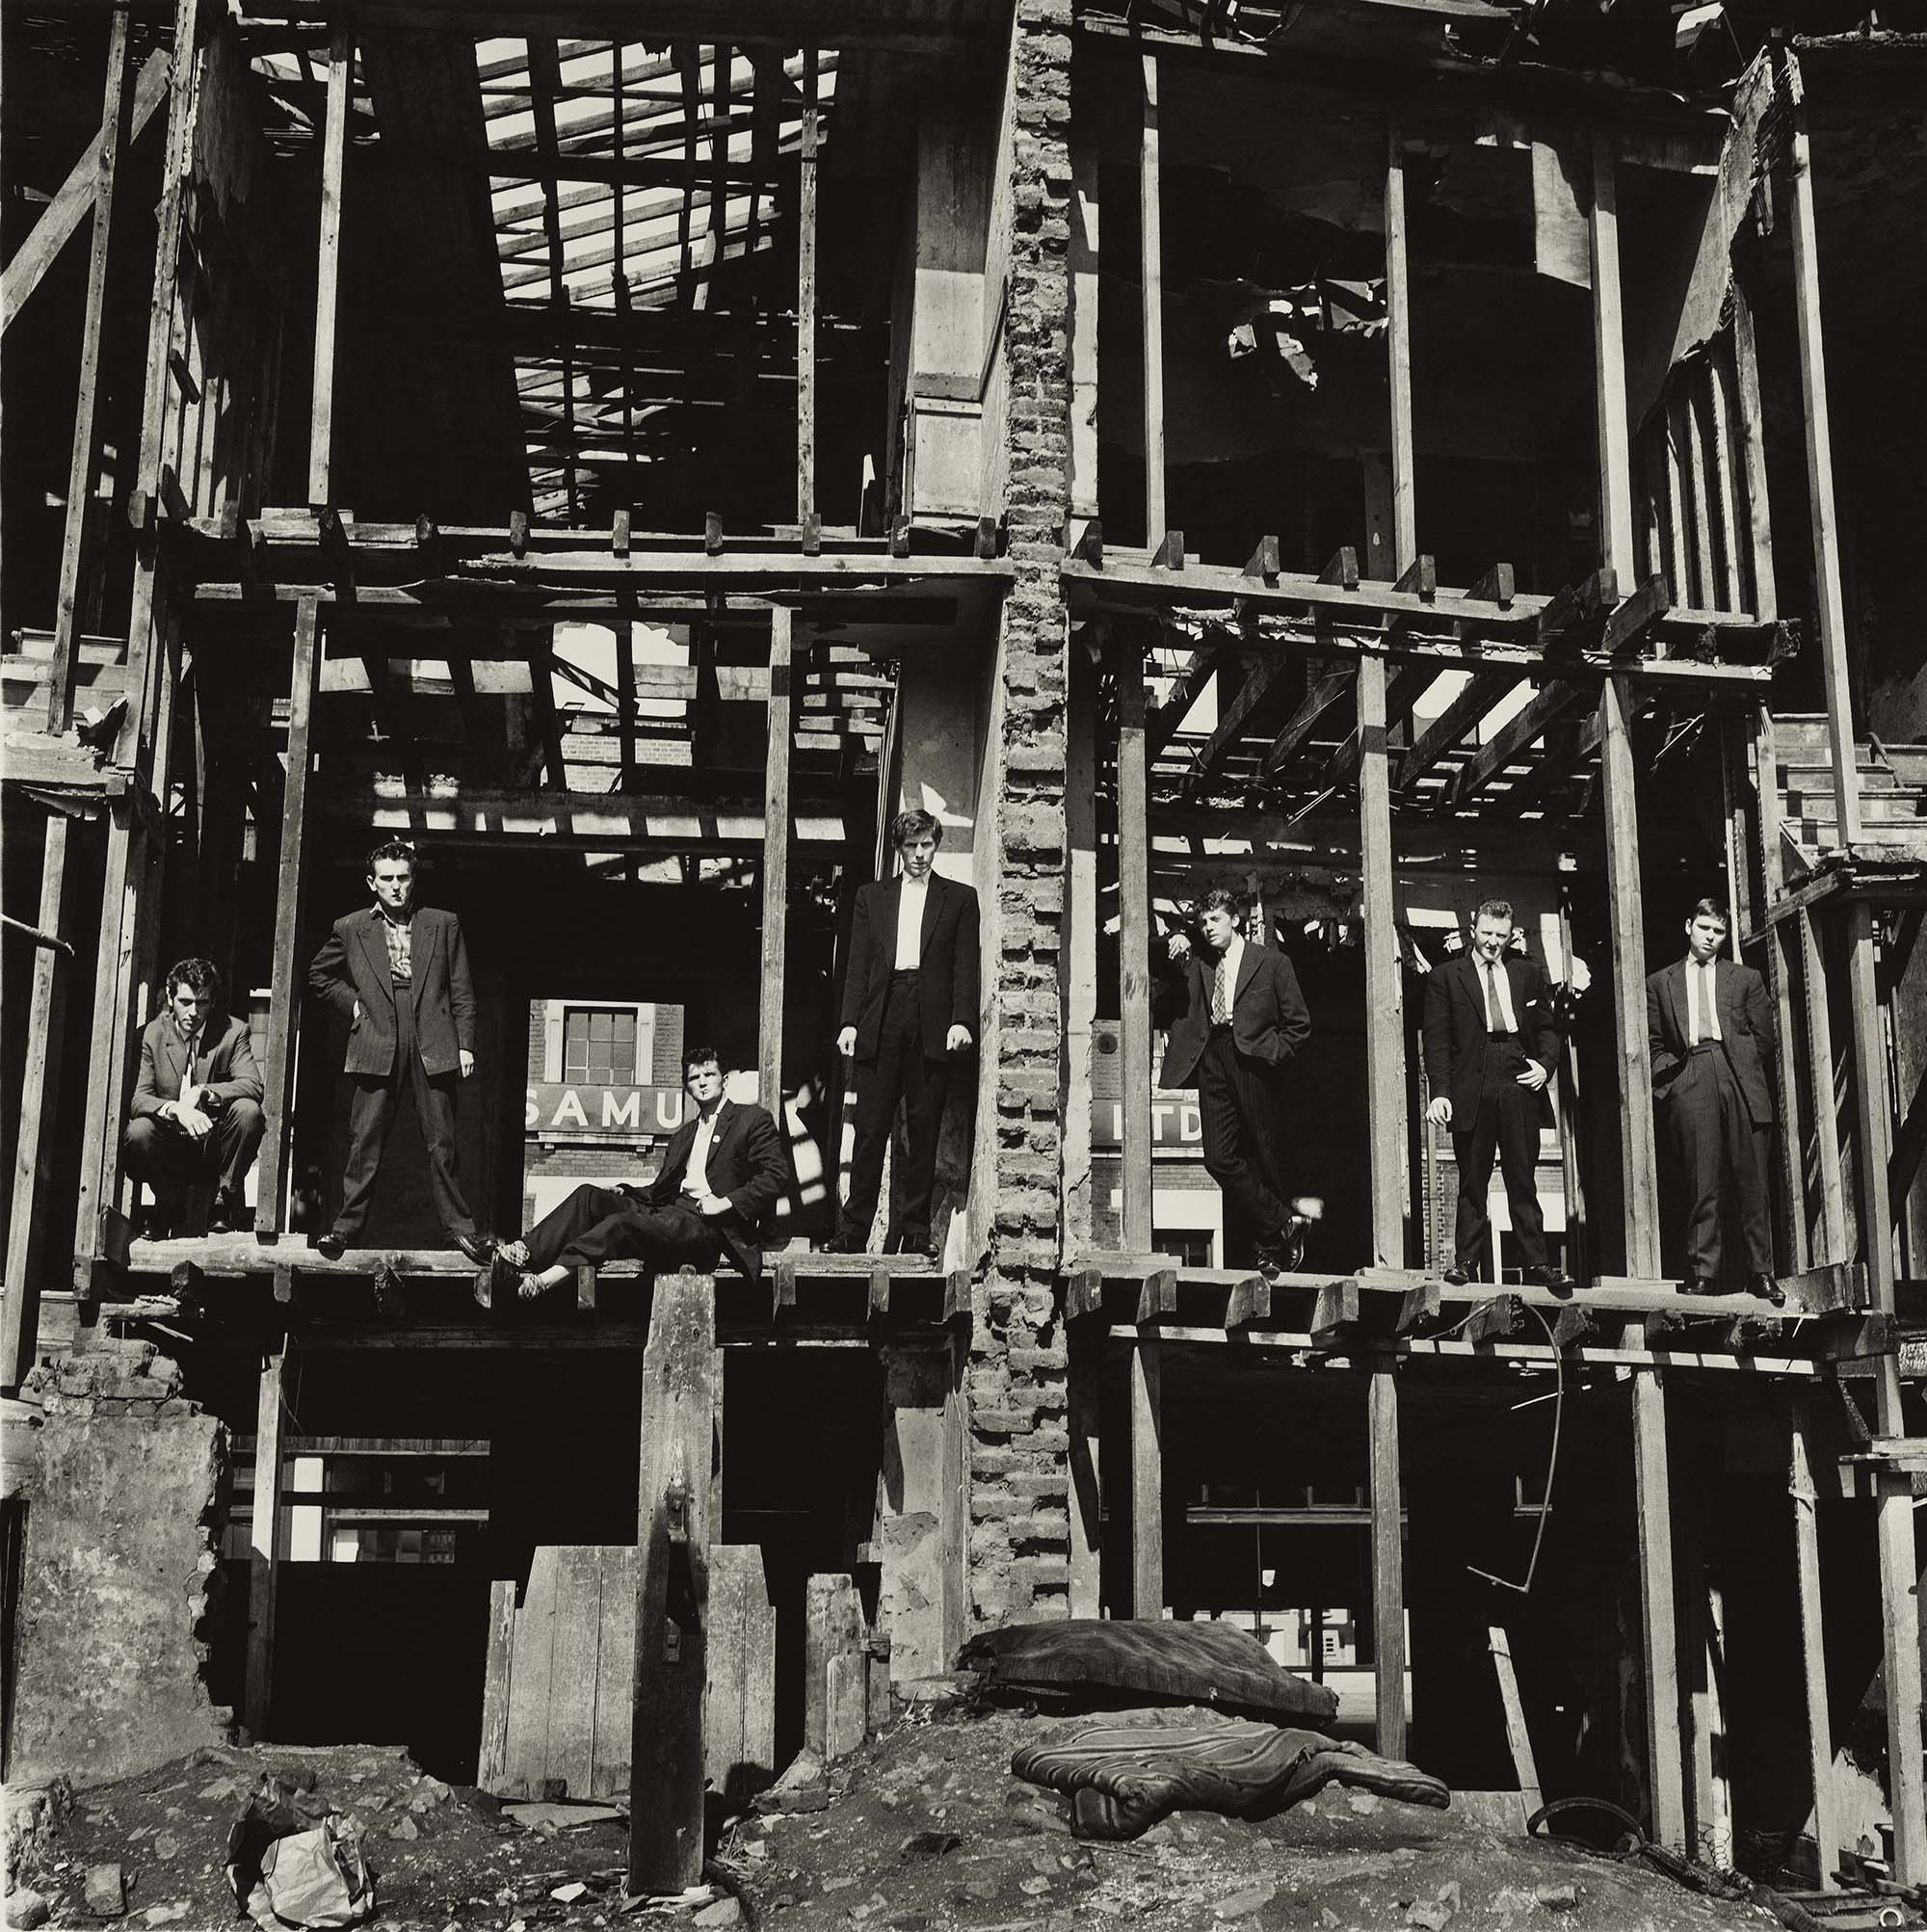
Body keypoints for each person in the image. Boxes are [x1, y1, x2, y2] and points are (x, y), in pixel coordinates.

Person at [307, 840, 491, 1262]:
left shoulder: (442, 924)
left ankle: (460, 1231)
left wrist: (465, 1044)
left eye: (403, 878)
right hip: (377, 1031)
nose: (395, 886)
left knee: (442, 1140)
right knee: (364, 1138)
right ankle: (345, 1229)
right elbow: (319, 975)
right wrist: (353, 1004)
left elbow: (462, 990)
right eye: (387, 878)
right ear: (372, 883)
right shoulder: (351, 926)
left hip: (432, 1032)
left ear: (414, 880)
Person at [493, 1045, 788, 1299]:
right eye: (694, 1078)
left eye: (709, 1075)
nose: (702, 1083)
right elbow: (662, 1190)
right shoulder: (684, 1134)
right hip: (669, 1211)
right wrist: (627, 1191)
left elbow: (775, 1174)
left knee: (622, 1224)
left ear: (724, 1080)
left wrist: (725, 1203)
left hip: (707, 1227)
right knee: (589, 1196)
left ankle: (541, 1282)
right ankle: (524, 1253)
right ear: (687, 1086)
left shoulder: (751, 1120)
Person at [832, 808, 979, 1258]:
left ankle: (915, 1231)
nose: (919, 855)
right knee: (871, 1128)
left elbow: (965, 966)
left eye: (927, 845)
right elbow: (857, 964)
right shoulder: (871, 898)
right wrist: (849, 1022)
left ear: (936, 845)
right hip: (883, 1012)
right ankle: (853, 1231)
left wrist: (962, 1020)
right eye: (911, 846)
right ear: (899, 848)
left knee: (923, 1128)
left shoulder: (959, 898)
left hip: (932, 1018)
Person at [1157, 887, 1311, 1280]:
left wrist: (1271, 1053)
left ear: (1235, 920)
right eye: (1202, 922)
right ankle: (1282, 1220)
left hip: (1255, 1063)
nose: (1207, 928)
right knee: (1219, 1158)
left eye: (1215, 921)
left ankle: (1270, 1251)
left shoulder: (1272, 963)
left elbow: (1299, 1025)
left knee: (1262, 1154)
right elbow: (1157, 968)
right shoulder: (1199, 960)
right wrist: (1176, 938)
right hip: (1212, 1057)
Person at [1422, 899, 1572, 1289]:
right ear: (1474, 929)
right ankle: (1466, 1262)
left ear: (1511, 936)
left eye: (1500, 936)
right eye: (1487, 934)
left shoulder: (1527, 972)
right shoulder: (1446, 976)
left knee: (1523, 1175)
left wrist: (1545, 1065)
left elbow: (1548, 1026)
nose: (1492, 943)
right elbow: (1436, 1043)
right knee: (1473, 1177)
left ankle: (1538, 1262)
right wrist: (1439, 1093)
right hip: (1473, 1078)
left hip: (1519, 1073)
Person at [1647, 897, 1782, 1301]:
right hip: (1692, 1073)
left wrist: (1740, 1066)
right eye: (1704, 928)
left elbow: (1765, 1038)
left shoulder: (1745, 978)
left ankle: (1761, 1272)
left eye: (1719, 931)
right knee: (1701, 1181)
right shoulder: (1660, 982)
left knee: (1751, 1180)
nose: (1711, 937)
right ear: (1689, 926)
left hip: (1739, 1076)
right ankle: (1704, 1272)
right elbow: (1653, 1044)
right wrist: (1675, 1083)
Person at [123, 958, 265, 1235]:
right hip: (170, 1144)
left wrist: (204, 1092)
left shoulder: (233, 1031)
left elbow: (253, 1085)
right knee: (138, 1131)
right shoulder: (150, 1035)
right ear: (169, 996)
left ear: (213, 1001)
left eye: (202, 1002)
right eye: (185, 1001)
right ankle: (167, 1201)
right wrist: (176, 1109)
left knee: (249, 1112)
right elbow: (139, 1099)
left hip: (213, 1144)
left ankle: (223, 1202)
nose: (193, 1012)